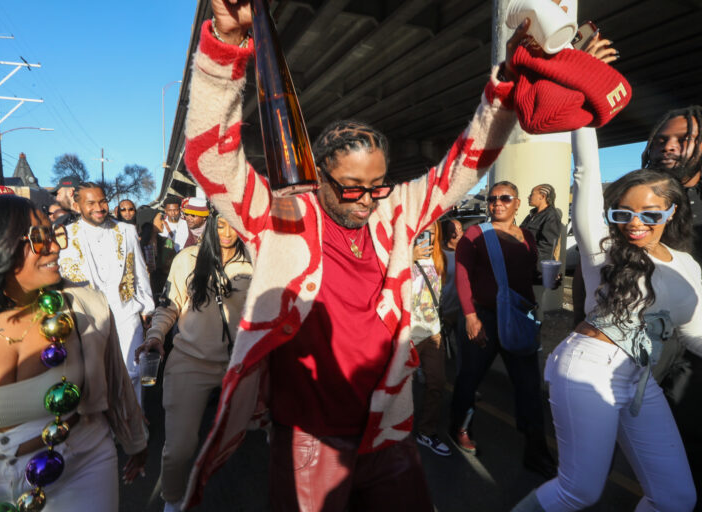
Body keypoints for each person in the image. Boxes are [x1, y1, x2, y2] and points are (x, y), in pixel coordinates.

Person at [177, 3, 532, 509]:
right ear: (318, 176)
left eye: (377, 185)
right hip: (307, 437)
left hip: (387, 424)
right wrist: (226, 43)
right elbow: (209, 157)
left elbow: (464, 163)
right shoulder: (282, 216)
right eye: (350, 188)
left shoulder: (396, 210)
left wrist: (504, 89)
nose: (367, 200)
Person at [513, 125, 701, 512]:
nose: (634, 224)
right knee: (579, 490)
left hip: (639, 381)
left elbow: (696, 333)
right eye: (623, 213)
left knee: (676, 498)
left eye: (650, 214)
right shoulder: (604, 249)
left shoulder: (687, 265)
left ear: (672, 210)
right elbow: (584, 173)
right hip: (588, 369)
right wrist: (586, 115)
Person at [0, 195, 147, 511]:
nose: (56, 247)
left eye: (54, 234)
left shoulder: (86, 306)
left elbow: (117, 382)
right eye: (39, 238)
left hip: (80, 466)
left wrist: (136, 442)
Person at [135, 212, 252, 512]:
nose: (227, 233)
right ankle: (172, 501)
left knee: (244, 442)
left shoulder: (256, 260)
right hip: (190, 362)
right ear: (211, 224)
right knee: (180, 449)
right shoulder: (187, 259)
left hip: (240, 364)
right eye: (221, 224)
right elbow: (170, 303)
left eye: (234, 226)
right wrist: (156, 336)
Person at [450, 181, 555, 478]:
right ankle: (458, 426)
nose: (497, 203)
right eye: (492, 198)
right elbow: (462, 276)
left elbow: (527, 273)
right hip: (484, 318)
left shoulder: (527, 237)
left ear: (518, 203)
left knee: (528, 386)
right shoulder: (475, 234)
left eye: (505, 198)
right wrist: (470, 317)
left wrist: (549, 280)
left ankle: (535, 449)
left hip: (518, 318)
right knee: (469, 378)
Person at [641, 105, 702, 503]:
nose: (670, 146)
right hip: (647, 344)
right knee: (660, 456)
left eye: (683, 139)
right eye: (663, 139)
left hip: (694, 352)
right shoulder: (644, 196)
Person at [58, 182, 154, 404]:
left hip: (126, 310)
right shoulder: (64, 236)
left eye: (102, 201)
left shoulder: (127, 230)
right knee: (94, 375)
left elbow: (140, 270)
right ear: (77, 205)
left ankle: (134, 424)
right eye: (91, 203)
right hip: (86, 317)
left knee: (133, 371)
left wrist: (148, 307)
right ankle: (105, 428)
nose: (99, 207)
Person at [411, 221, 451, 457]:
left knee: (436, 383)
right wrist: (409, 256)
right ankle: (390, 434)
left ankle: (426, 431)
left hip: (433, 331)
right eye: (422, 230)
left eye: (431, 230)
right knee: (397, 389)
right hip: (407, 334)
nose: (426, 235)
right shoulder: (401, 256)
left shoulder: (440, 259)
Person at [521, 184, 562, 263]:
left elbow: (546, 248)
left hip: (537, 268)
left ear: (542, 196)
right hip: (524, 262)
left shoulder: (552, 216)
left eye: (532, 194)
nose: (528, 197)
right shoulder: (531, 215)